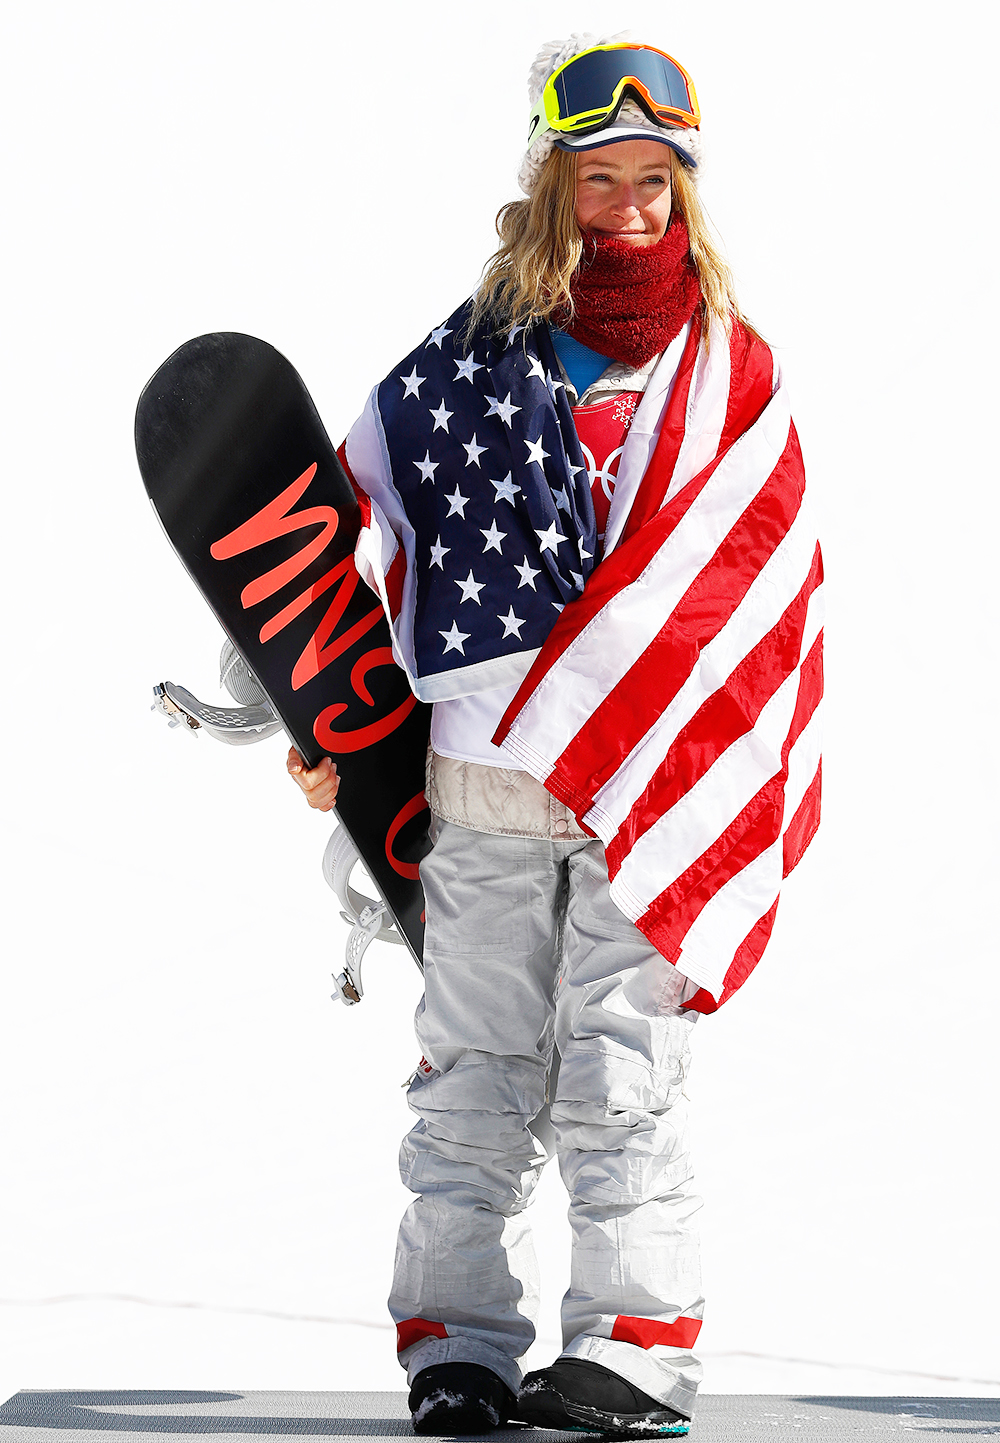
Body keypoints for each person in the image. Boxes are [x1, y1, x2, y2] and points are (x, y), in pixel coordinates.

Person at [288, 32, 822, 1438]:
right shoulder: (460, 365)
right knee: (471, 1079)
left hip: (652, 795)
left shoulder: (731, 373)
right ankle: (453, 1345)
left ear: (686, 193)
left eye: (657, 179)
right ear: (553, 181)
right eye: (603, 176)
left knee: (620, 1085)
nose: (632, 206)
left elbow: (761, 595)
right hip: (483, 785)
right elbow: (352, 551)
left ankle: (634, 1347)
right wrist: (324, 722)